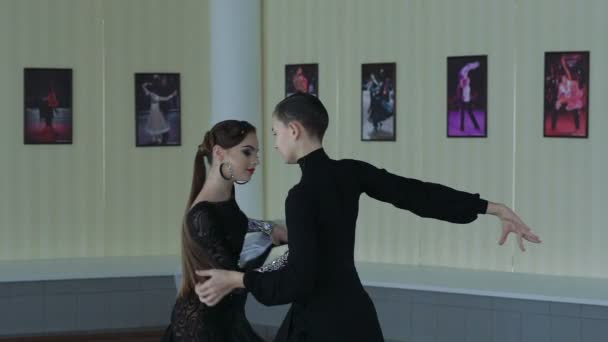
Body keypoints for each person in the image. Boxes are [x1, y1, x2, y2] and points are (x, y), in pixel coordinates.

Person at [195, 93, 541, 341]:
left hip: (321, 324)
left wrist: (237, 280)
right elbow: (417, 194)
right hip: (355, 315)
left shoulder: (301, 197)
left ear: (294, 130)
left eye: (275, 133)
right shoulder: (351, 173)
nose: (273, 143)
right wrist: (490, 207)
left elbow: (300, 279)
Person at [162, 120, 288, 342]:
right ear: (220, 153)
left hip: (228, 316)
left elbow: (239, 222)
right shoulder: (201, 215)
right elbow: (235, 280)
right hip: (203, 326)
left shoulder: (226, 195)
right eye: (247, 152)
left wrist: (270, 227)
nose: (256, 160)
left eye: (256, 153)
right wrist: (285, 256)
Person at [142, 78, 178, 144]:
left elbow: (166, 98)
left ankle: (156, 138)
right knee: (155, 124)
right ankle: (155, 138)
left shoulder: (154, 95)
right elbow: (143, 86)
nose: (154, 90)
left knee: (156, 125)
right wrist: (147, 83)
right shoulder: (151, 94)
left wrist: (173, 94)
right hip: (153, 112)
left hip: (156, 112)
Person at [457, 61, 481, 131]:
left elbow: (463, 85)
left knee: (469, 113)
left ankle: (476, 126)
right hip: (463, 99)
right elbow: (460, 88)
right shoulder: (462, 81)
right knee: (463, 114)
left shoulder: (466, 80)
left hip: (466, 99)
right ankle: (462, 127)